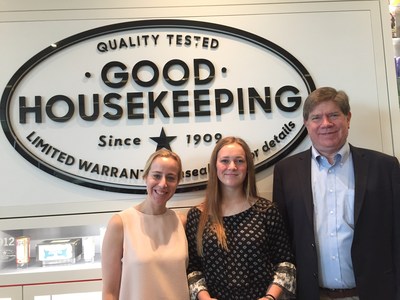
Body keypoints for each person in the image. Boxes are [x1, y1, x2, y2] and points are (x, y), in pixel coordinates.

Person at [273, 87, 400, 300]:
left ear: (348, 118)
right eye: (316, 117)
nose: (326, 124)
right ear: (306, 124)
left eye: (333, 115)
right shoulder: (287, 171)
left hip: (375, 293)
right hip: (312, 295)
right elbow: (282, 240)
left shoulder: (385, 167)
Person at [186, 136, 296, 300]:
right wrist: (205, 298)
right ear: (215, 166)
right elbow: (194, 269)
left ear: (248, 167)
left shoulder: (267, 210)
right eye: (225, 161)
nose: (232, 167)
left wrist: (270, 298)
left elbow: (285, 263)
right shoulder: (197, 215)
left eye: (239, 161)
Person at [101, 148, 190, 300]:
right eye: (156, 175)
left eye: (170, 177)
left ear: (177, 182)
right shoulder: (121, 223)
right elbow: (110, 292)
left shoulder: (181, 222)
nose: (163, 184)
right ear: (145, 177)